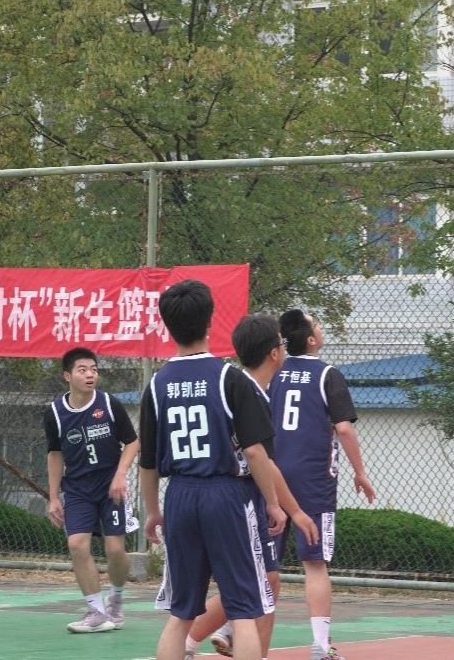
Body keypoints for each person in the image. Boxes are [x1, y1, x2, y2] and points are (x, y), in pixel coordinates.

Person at [140, 280, 311, 660]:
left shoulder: (157, 385)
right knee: (245, 610)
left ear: (167, 325)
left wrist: (153, 511)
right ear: (210, 321)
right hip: (227, 496)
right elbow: (254, 451)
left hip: (180, 494)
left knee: (181, 615)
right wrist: (273, 503)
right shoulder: (228, 378)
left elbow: (148, 463)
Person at [183, 314, 318, 660]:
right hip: (238, 500)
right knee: (259, 585)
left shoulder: (243, 386)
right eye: (282, 344)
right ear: (274, 353)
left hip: (216, 497)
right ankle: (202, 641)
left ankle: (197, 640)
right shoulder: (247, 392)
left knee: (262, 582)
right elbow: (263, 461)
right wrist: (292, 510)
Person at [256, 309, 374, 660]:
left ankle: (235, 627)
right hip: (313, 479)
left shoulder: (273, 373)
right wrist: (360, 471)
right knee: (315, 563)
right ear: (311, 339)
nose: (322, 328)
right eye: (318, 325)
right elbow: (344, 428)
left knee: (265, 564)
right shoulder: (327, 374)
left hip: (272, 475)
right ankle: (321, 646)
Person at [45, 347, 139, 634]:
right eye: (83, 370)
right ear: (67, 376)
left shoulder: (109, 404)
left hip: (111, 486)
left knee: (115, 550)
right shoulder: (55, 413)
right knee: (77, 545)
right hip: (78, 489)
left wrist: (120, 475)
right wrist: (53, 497)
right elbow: (54, 454)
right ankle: (96, 611)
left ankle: (116, 599)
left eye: (94, 370)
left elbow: (132, 442)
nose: (90, 375)